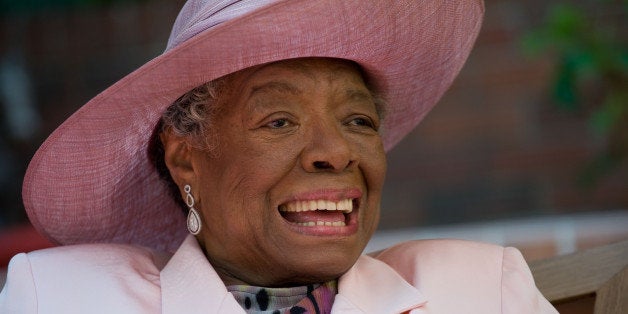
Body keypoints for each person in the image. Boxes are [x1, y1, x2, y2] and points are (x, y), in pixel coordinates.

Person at [0, 0, 557, 313]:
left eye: (358, 121)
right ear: (185, 157)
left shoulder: (484, 290)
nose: (335, 152)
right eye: (280, 121)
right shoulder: (62, 299)